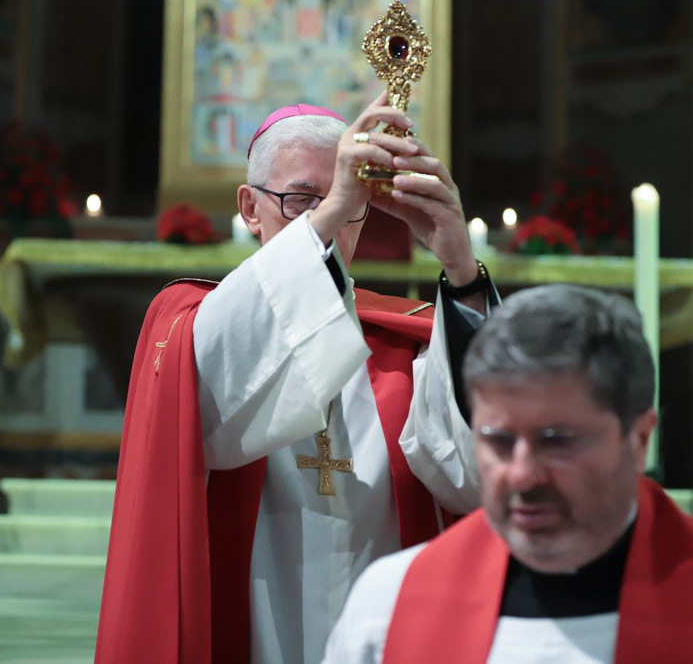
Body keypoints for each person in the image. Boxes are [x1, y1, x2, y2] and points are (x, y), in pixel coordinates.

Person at [94, 94, 496, 664]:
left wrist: (460, 269)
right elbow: (212, 404)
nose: (326, 218)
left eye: (350, 201)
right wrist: (334, 210)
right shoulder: (190, 328)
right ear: (250, 207)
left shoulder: (407, 345)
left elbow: (475, 477)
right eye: (302, 199)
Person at [323, 284, 693, 664]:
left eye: (558, 441)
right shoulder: (390, 605)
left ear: (639, 439)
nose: (523, 475)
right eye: (499, 441)